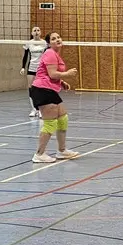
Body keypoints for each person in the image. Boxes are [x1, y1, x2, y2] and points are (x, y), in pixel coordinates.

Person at [31, 32, 80, 164]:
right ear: (49, 43)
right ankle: (39, 154)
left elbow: (49, 74)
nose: (57, 39)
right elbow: (52, 74)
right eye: (53, 39)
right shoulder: (50, 53)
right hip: (42, 90)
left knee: (62, 118)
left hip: (49, 89)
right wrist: (67, 74)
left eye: (58, 37)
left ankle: (62, 151)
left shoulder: (55, 54)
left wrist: (61, 82)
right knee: (50, 123)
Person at [22, 27, 48, 118]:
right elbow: (25, 56)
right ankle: (34, 109)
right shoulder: (29, 43)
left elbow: (47, 56)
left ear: (40, 32)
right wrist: (23, 67)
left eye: (38, 30)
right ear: (32, 33)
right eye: (34, 30)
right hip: (31, 68)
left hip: (41, 69)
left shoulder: (44, 43)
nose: (36, 32)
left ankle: (41, 109)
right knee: (31, 89)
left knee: (40, 89)